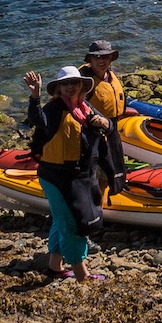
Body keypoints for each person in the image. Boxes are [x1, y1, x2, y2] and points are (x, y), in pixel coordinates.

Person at [24, 66, 113, 280]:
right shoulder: (53, 109)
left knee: (61, 220)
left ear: (82, 86)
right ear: (59, 88)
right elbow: (38, 121)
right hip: (56, 177)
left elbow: (109, 127)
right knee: (73, 223)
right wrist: (34, 96)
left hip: (80, 177)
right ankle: (82, 274)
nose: (70, 87)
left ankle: (55, 267)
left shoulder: (85, 108)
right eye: (65, 84)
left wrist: (106, 123)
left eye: (74, 83)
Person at [79, 40, 128, 196]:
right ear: (90, 60)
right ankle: (94, 206)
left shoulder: (110, 75)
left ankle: (104, 198)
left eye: (105, 57)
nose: (101, 61)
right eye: (97, 57)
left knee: (111, 170)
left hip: (111, 131)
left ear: (111, 59)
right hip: (93, 133)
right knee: (96, 171)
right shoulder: (85, 81)